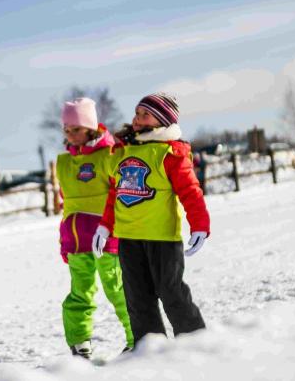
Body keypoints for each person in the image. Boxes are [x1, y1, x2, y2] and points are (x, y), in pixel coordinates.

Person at [91, 93, 209, 347]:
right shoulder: (122, 152)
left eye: (145, 114)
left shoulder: (170, 153)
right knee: (137, 296)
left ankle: (196, 342)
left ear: (162, 120)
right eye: (136, 113)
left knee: (171, 291)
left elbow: (191, 192)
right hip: (129, 238)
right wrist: (104, 225)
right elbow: (115, 194)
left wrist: (200, 225)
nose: (136, 118)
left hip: (161, 237)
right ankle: (149, 349)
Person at [55, 98, 134, 359]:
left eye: (75, 129)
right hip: (77, 239)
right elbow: (67, 205)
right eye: (66, 130)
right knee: (81, 290)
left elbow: (120, 194)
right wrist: (64, 239)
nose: (70, 135)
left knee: (117, 287)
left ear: (90, 127)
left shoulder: (110, 155)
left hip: (106, 236)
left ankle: (138, 336)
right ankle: (79, 342)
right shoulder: (65, 163)